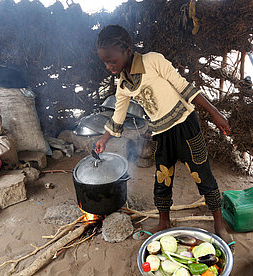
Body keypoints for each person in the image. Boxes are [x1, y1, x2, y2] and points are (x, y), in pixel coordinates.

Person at [95, 24, 234, 247]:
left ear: (127, 50)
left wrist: (215, 113)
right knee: (162, 180)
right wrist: (103, 139)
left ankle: (219, 224)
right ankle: (164, 222)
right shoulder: (123, 85)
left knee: (202, 174)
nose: (108, 66)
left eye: (112, 60)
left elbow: (184, 87)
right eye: (105, 62)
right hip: (161, 133)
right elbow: (118, 117)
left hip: (186, 126)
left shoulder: (153, 61)